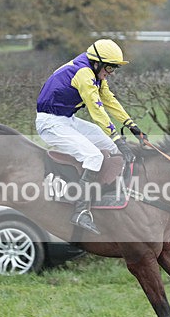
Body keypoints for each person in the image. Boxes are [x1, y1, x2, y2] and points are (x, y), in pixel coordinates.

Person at [36, 38, 146, 235]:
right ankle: (80, 210)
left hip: (67, 119)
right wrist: (117, 138)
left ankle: (114, 193)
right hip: (50, 123)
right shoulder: (84, 74)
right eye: (109, 68)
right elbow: (97, 110)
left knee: (111, 148)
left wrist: (132, 126)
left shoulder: (95, 72)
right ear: (97, 63)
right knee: (93, 156)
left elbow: (109, 100)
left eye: (113, 69)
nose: (109, 73)